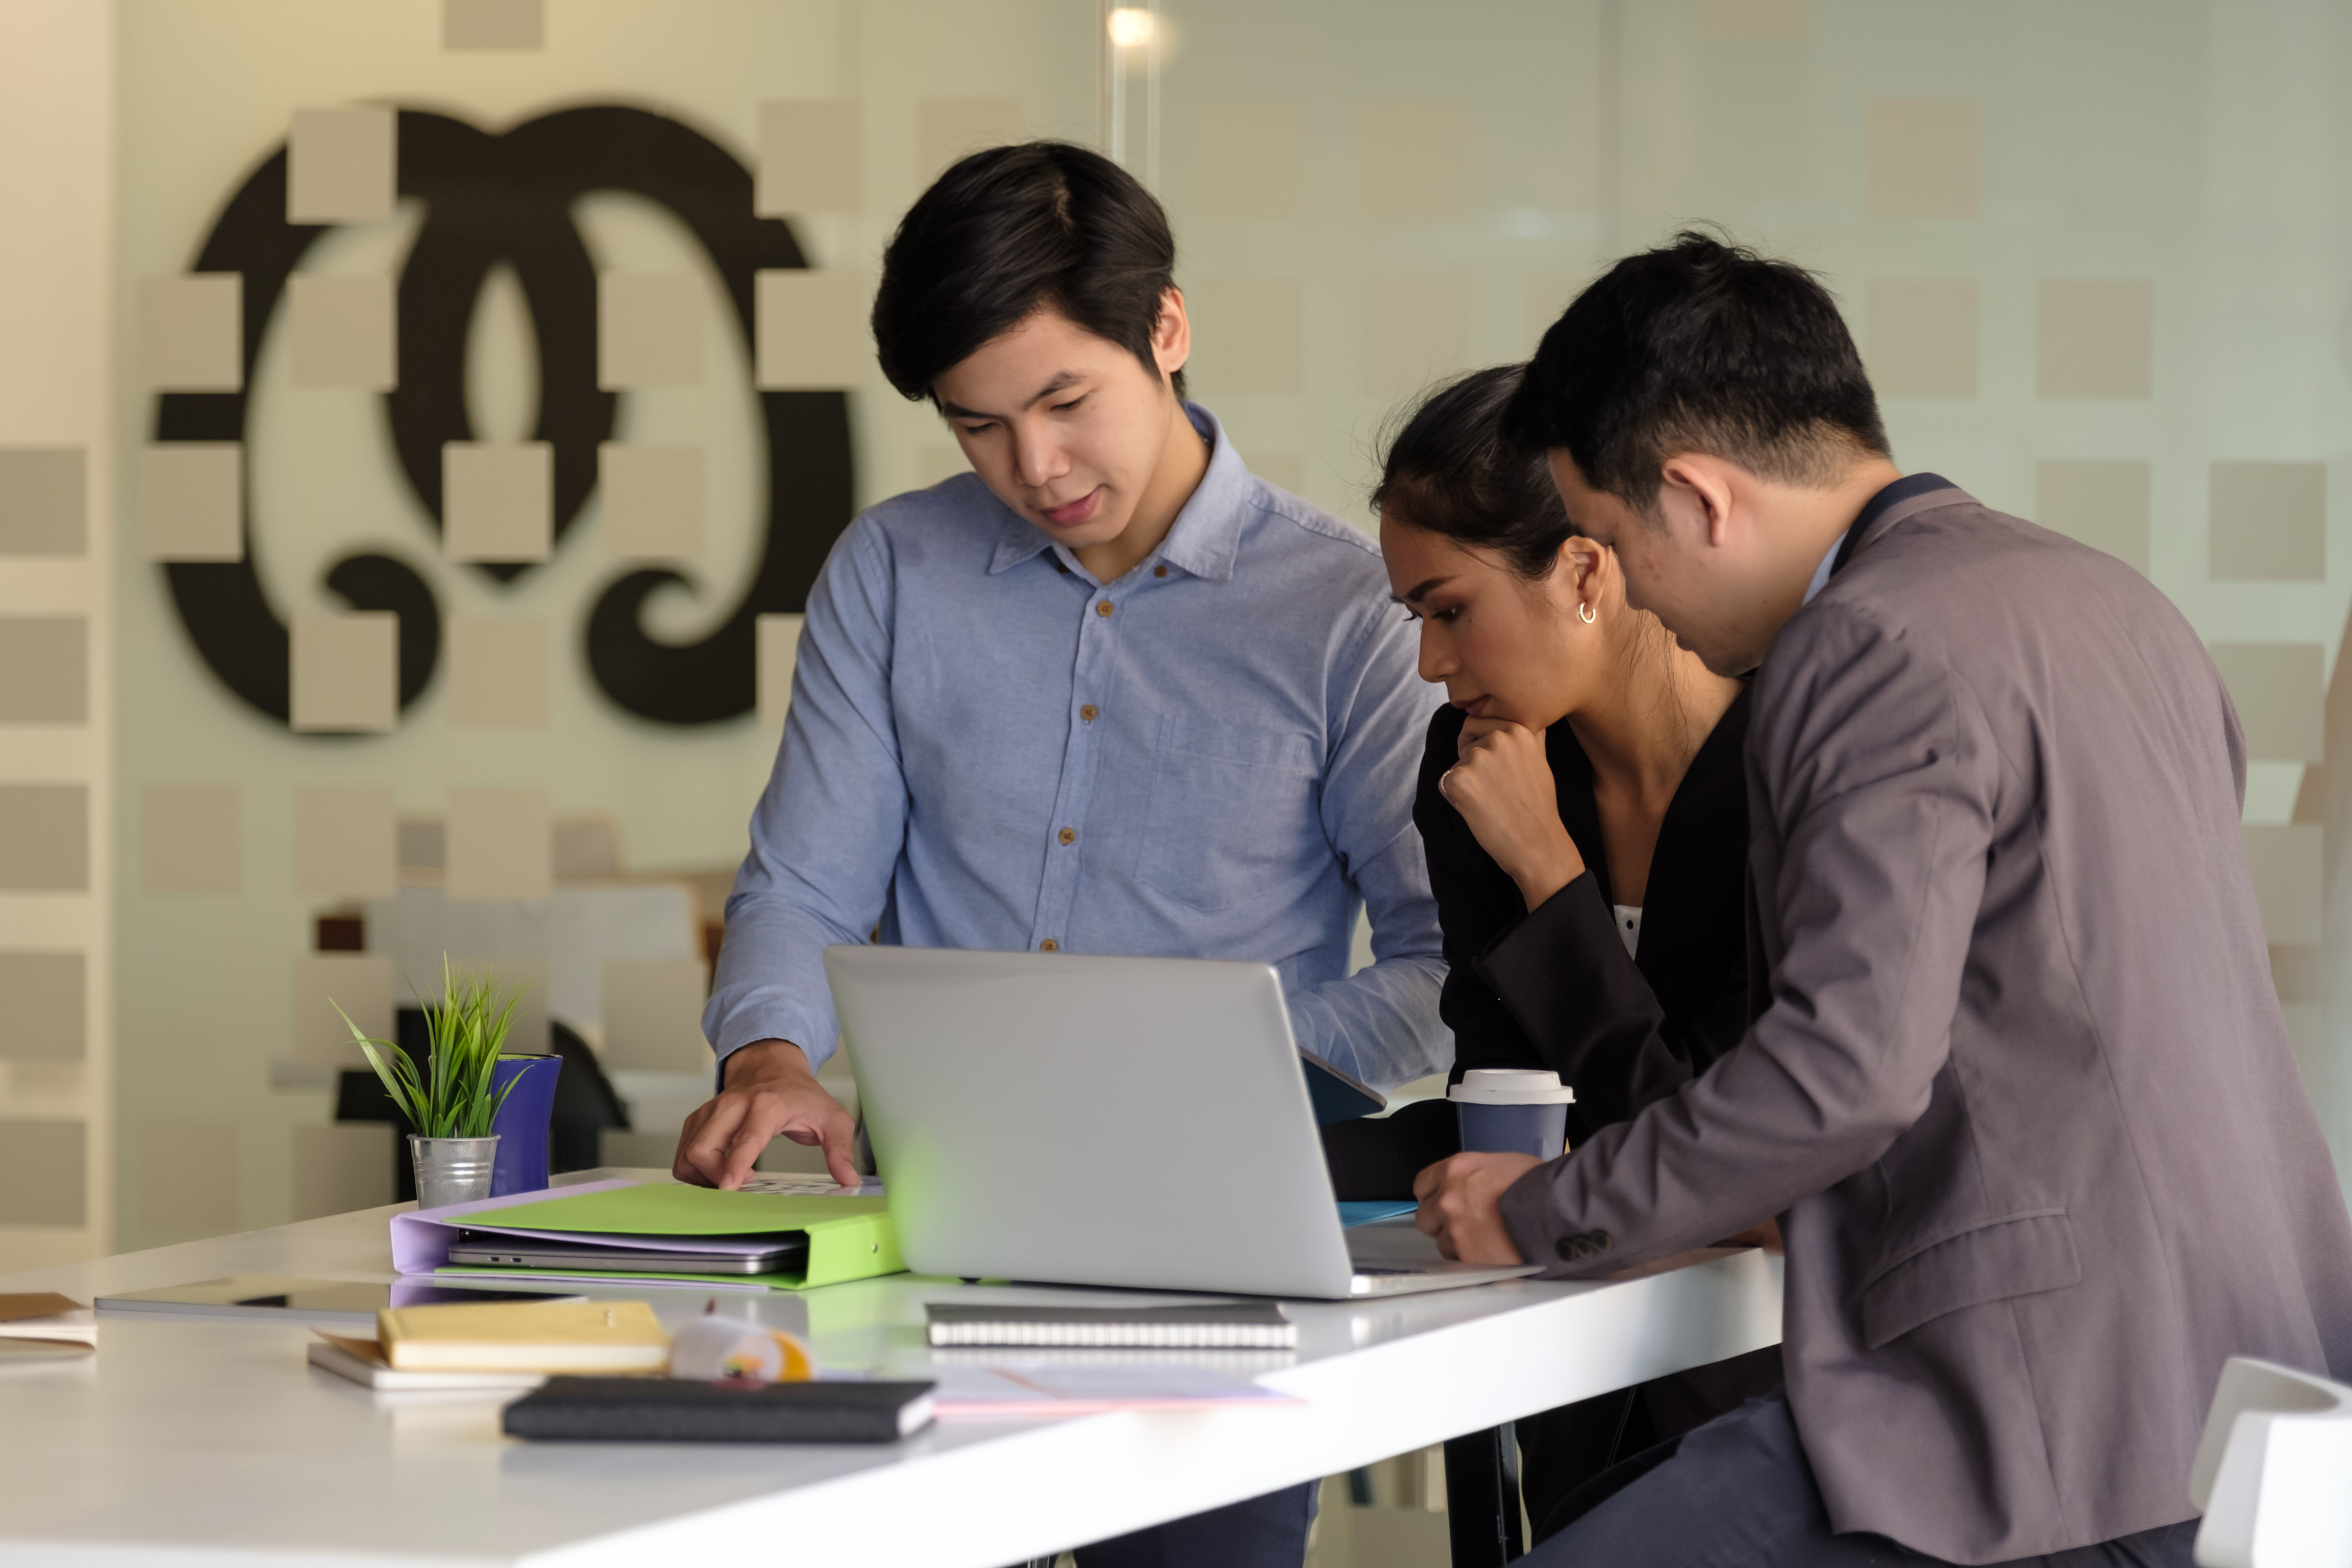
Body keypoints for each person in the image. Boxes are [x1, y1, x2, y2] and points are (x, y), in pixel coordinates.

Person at [1413, 232, 2352, 1565]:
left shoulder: (1861, 642)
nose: (1641, 603)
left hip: (2032, 1413)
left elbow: (1842, 1076)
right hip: (2252, 1383)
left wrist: (1539, 1210)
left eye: (1616, 543)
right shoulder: (2111, 600)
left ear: (1697, 497)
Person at [674, 141, 1450, 1568]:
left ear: (1166, 328)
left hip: (1210, 1273)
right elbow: (802, 884)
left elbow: (1436, 972)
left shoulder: (1350, 608)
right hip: (922, 1249)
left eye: (1064, 402)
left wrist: (1191, 1053)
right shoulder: (892, 572)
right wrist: (772, 1060)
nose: (1034, 469)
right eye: (977, 427)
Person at [1325, 364, 1777, 1530]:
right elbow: (1503, 1102)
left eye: (1450, 609)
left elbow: (1720, 1155)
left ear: (1583, 570)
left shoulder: (1795, 772)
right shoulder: (1476, 764)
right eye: (1415, 620)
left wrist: (1551, 877)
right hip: (1570, 1356)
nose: (1432, 664)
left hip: (1773, 1388)